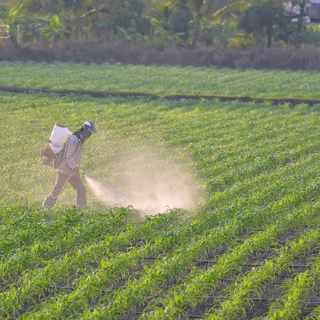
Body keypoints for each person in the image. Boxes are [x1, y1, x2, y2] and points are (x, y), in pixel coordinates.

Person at [43, 120, 97, 207]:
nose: (89, 135)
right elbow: (69, 156)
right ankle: (45, 207)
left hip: (72, 172)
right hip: (65, 170)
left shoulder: (80, 140)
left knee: (81, 189)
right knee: (57, 191)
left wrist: (76, 167)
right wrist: (74, 166)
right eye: (89, 132)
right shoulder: (74, 139)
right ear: (84, 129)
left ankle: (81, 209)